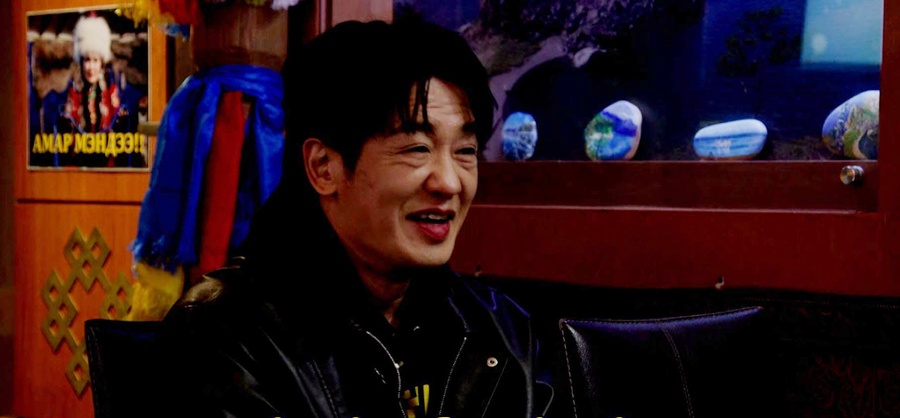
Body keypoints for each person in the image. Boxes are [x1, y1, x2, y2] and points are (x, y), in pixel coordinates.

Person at [160, 19, 556, 418]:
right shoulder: (225, 333)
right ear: (324, 167)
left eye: (465, 151)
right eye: (417, 149)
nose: (450, 183)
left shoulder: (501, 331)